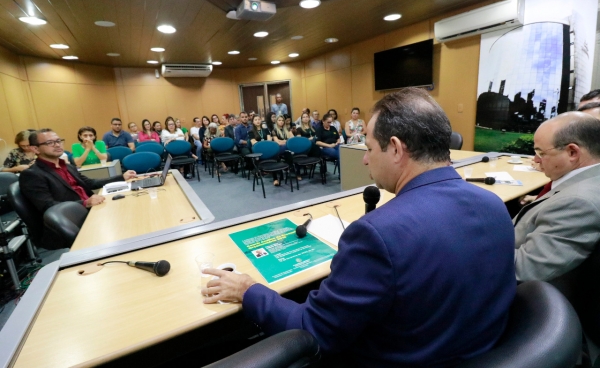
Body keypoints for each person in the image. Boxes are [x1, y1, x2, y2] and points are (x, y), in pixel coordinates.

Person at [202, 88, 516, 367]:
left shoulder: (376, 235)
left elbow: (313, 332)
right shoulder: (494, 206)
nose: (365, 160)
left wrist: (247, 289)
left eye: (368, 148)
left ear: (395, 148)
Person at [514, 112, 600, 282]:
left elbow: (524, 269)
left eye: (541, 153)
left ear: (572, 152)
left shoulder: (578, 203)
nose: (536, 160)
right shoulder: (586, 182)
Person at [20, 129, 136, 249]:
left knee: (130, 210)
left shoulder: (67, 166)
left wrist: (121, 177)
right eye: (50, 142)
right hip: (73, 222)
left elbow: (90, 183)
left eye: (58, 141)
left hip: (92, 212)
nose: (57, 144)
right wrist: (85, 203)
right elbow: (49, 206)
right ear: (35, 149)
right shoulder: (32, 175)